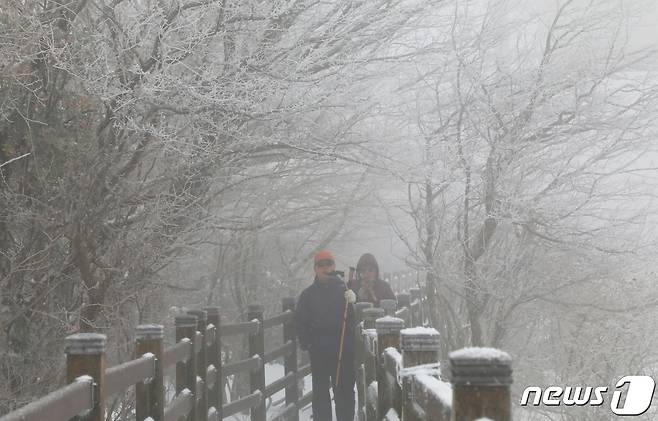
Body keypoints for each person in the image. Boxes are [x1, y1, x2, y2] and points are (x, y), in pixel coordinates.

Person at [295, 250, 357, 421]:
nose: (325, 268)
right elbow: (300, 321)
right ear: (315, 269)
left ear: (334, 266)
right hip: (320, 353)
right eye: (321, 265)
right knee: (321, 393)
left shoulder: (345, 291)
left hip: (343, 351)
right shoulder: (308, 295)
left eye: (328, 264)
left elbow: (354, 321)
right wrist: (307, 343)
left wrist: (353, 303)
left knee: (344, 391)